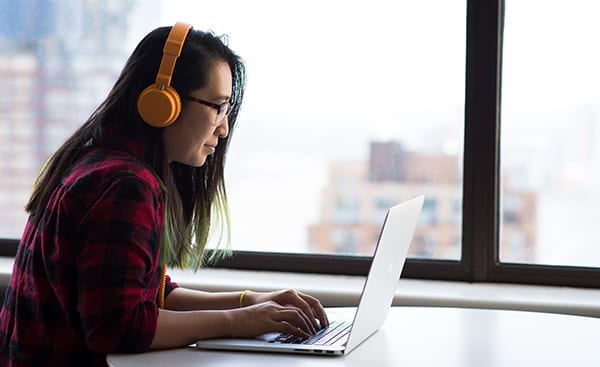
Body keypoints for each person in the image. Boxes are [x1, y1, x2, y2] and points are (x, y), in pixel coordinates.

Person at [0, 22, 328, 366]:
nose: (224, 127)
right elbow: (117, 326)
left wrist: (248, 302)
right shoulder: (125, 185)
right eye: (217, 106)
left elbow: (151, 294)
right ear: (162, 102)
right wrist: (238, 322)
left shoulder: (104, 162)